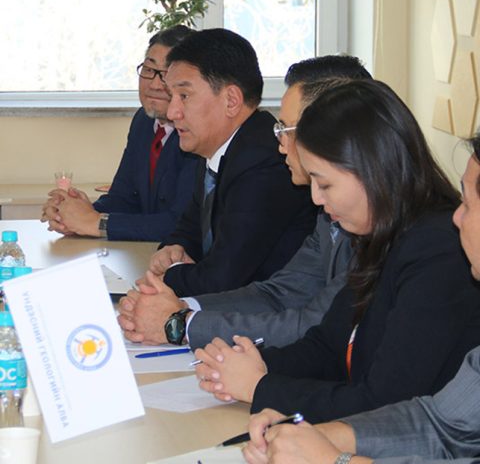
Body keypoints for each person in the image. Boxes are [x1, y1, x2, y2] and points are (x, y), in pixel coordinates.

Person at [194, 79, 480, 425]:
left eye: (325, 183)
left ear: (373, 171)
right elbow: (328, 346)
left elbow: (384, 402)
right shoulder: (383, 233)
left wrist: (260, 387)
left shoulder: (438, 252)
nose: (316, 197)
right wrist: (251, 364)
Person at [243, 134, 480, 464]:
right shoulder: (387, 239)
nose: (456, 217)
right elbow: (441, 425)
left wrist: (334, 460)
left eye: (467, 204)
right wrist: (319, 435)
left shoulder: (436, 248)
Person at [118, 55, 371, 348]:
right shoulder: (328, 214)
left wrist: (180, 324)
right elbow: (279, 294)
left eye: (286, 130)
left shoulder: (378, 220)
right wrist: (180, 308)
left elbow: (315, 323)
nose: (279, 144)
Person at [139, 28, 316, 302]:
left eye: (184, 96)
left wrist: (167, 275)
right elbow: (188, 227)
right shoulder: (217, 146)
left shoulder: (265, 162)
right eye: (171, 97)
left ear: (231, 101)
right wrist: (172, 249)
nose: (172, 112)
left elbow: (222, 279)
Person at [40, 26, 198, 241]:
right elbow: (124, 198)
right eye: (149, 69)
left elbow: (181, 223)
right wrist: (77, 213)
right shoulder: (143, 121)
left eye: (167, 74)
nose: (154, 84)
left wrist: (95, 222)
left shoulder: (197, 132)